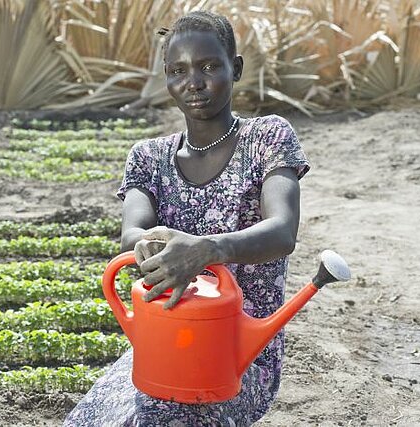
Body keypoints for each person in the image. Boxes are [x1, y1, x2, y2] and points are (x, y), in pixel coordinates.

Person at [63, 10, 309, 426]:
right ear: (167, 79)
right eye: (178, 70)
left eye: (209, 66)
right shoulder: (149, 158)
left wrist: (207, 249)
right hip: (164, 339)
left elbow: (282, 231)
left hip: (238, 352)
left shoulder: (267, 138)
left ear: (236, 68)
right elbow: (133, 234)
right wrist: (147, 246)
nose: (193, 82)